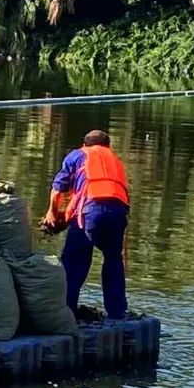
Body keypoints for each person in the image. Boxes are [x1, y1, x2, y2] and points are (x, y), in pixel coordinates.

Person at [43, 129, 129, 321]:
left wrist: (51, 212)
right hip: (118, 214)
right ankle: (117, 313)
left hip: (91, 212)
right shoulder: (116, 161)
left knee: (75, 261)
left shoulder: (78, 155)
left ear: (84, 145)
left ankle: (67, 310)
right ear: (108, 146)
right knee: (113, 260)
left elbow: (58, 189)